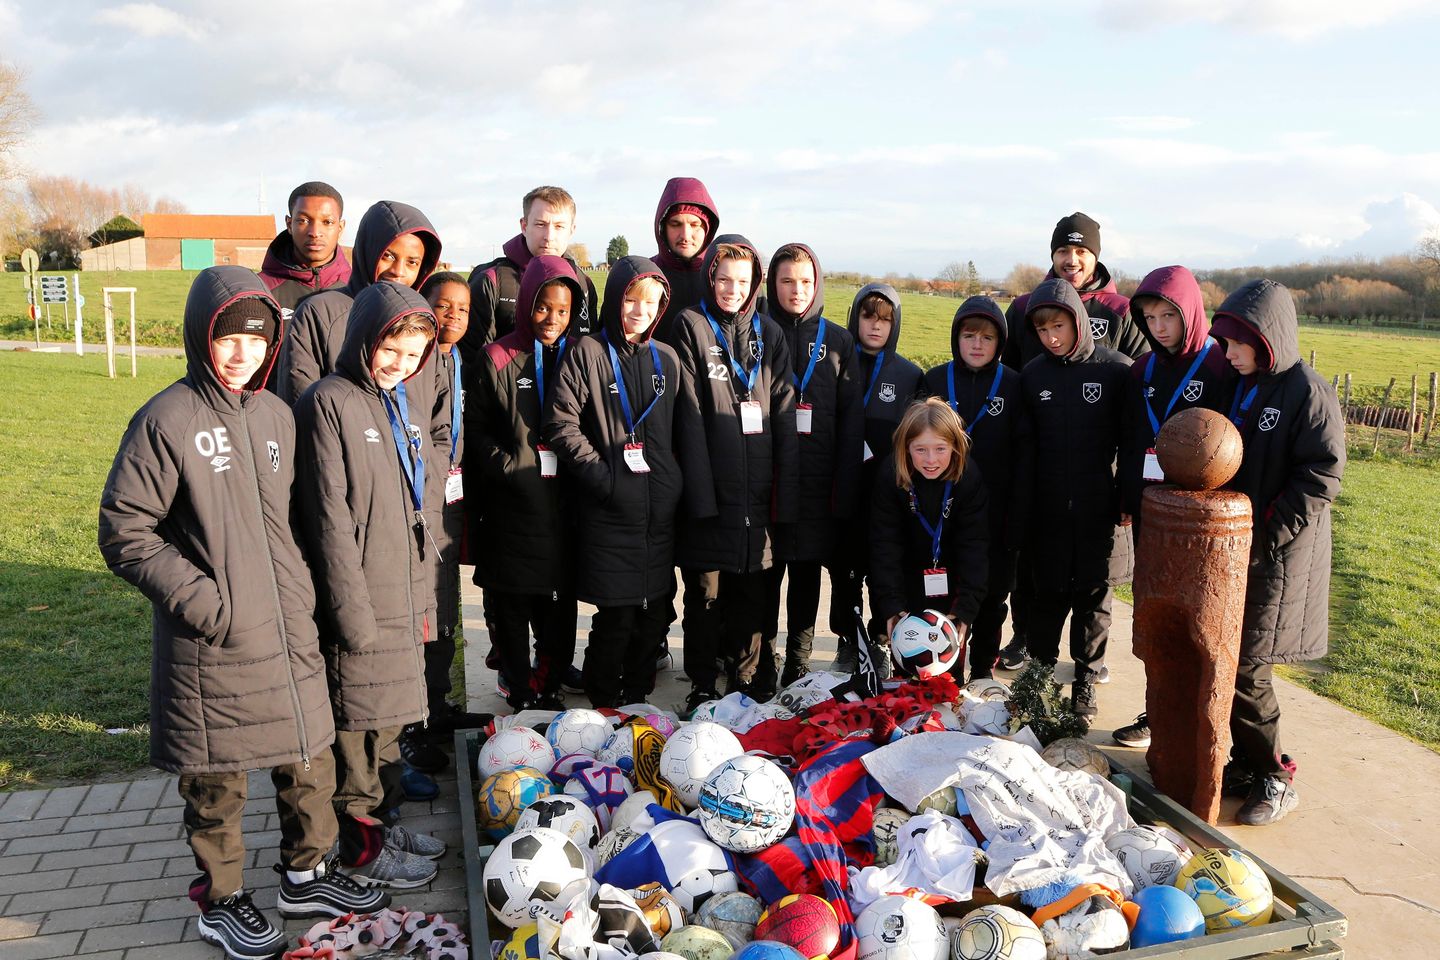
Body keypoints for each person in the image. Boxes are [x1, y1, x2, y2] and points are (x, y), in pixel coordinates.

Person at [99, 267, 388, 960]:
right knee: (217, 782)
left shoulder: (277, 417)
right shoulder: (167, 419)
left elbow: (298, 520)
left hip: (289, 633)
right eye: (229, 338)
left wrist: (309, 599)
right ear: (202, 335)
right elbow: (125, 531)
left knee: (309, 762)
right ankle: (221, 900)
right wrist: (211, 606)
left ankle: (305, 873)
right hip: (215, 644)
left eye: (256, 342)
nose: (242, 354)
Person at [294, 281, 450, 890]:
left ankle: (382, 822)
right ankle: (358, 842)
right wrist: (349, 611)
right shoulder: (328, 402)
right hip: (359, 595)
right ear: (365, 337)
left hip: (402, 585)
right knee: (356, 727)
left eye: (414, 357)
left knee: (390, 721)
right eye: (392, 349)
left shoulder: (399, 402)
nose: (401, 365)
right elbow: (329, 517)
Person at [1210, 279, 1344, 825]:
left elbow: (1321, 475)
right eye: (1225, 344)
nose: (1229, 353)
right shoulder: (1242, 385)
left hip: (1279, 557)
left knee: (1249, 668)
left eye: (1238, 343)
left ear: (1267, 339)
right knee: (1232, 660)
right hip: (1242, 549)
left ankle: (1276, 774)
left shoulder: (1306, 390)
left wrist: (1265, 532)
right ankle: (1245, 763)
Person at [997, 212, 1144, 674]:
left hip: (1093, 473)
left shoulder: (1120, 311)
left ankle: (1088, 664)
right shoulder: (1023, 307)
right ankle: (1025, 638)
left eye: (1081, 251)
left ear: (1095, 256)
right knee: (1035, 570)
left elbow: (1136, 394)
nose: (1071, 259)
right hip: (1041, 456)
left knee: (1093, 581)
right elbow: (1008, 371)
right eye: (1063, 250)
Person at [544, 257, 683, 707]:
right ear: (615, 299)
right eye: (630, 300)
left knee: (653, 615)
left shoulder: (668, 360)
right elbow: (561, 424)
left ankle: (638, 698)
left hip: (657, 513)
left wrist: (672, 486)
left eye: (650, 302)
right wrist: (604, 481)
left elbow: (678, 432)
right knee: (617, 616)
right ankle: (604, 701)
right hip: (610, 511)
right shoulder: (586, 352)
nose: (639, 311)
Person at [669, 236, 798, 714]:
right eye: (724, 278)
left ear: (754, 283)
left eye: (742, 281)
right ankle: (702, 682)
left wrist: (783, 496)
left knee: (752, 597)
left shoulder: (770, 333)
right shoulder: (691, 326)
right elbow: (690, 413)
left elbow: (783, 412)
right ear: (711, 277)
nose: (732, 288)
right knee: (705, 598)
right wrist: (701, 498)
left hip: (758, 496)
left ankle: (742, 685)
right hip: (712, 494)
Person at [1112, 265, 1237, 748]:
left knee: (1200, 619)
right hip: (1151, 510)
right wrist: (1126, 497)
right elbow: (1129, 435)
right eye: (1150, 317)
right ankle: (1156, 711)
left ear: (1190, 312)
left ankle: (1207, 725)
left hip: (1203, 519)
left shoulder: (1219, 365)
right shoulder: (1140, 369)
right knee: (1156, 614)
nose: (1160, 327)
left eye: (1169, 315)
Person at [470, 256, 586, 710]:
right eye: (542, 307)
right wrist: (508, 465)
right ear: (524, 304)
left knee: (557, 610)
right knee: (514, 608)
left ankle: (551, 684)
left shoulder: (581, 353)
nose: (552, 319)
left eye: (562, 310)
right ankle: (519, 691)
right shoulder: (497, 356)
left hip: (563, 507)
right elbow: (477, 430)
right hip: (512, 505)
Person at [1018, 277, 1133, 720]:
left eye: (1059, 327)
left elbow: (1130, 437)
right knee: (1045, 596)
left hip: (1097, 510)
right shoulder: (1033, 376)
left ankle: (1086, 679)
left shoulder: (1116, 370)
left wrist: (1124, 497)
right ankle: (1039, 679)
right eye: (1043, 330)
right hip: (1047, 511)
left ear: (1079, 323)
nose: (1051, 338)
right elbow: (1026, 448)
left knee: (1093, 599)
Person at [396, 272, 489, 774]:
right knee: (420, 613)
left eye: (462, 309)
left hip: (450, 500)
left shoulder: (458, 358)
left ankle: (438, 705)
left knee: (444, 607)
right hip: (420, 500)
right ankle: (412, 726)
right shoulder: (415, 361)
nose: (452, 315)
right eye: (442, 305)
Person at [760, 243, 863, 691]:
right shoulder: (757, 332)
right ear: (772, 284)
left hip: (818, 484)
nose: (796, 290)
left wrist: (843, 490)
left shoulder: (838, 341)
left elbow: (850, 421)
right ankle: (762, 657)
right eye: (786, 281)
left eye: (805, 281)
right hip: (768, 479)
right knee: (764, 577)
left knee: (804, 576)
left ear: (817, 283)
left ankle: (797, 662)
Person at [920, 296, 1031, 679]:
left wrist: (1016, 520)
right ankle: (943, 674)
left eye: (987, 337)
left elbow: (1023, 456)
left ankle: (983, 670)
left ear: (1000, 342)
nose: (977, 344)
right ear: (957, 338)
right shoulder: (935, 380)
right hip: (944, 514)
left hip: (996, 516)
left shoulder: (1014, 385)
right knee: (947, 595)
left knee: (991, 598)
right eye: (969, 335)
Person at [827, 283, 923, 667]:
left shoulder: (909, 374)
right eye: (868, 317)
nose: (876, 327)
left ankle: (881, 640)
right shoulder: (833, 364)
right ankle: (847, 640)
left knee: (884, 570)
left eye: (886, 320)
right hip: (843, 490)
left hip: (886, 495)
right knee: (843, 573)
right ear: (855, 317)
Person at [279, 200, 442, 405]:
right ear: (368, 251)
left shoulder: (423, 324)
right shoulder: (320, 312)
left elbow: (437, 423)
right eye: (388, 256)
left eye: (412, 262)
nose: (398, 271)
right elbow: (300, 403)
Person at [869, 398, 989, 657]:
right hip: (907, 577)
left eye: (940, 449)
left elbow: (974, 548)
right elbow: (884, 545)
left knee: (946, 674)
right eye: (920, 449)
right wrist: (892, 607)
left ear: (956, 447)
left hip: (951, 578)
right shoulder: (891, 476)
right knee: (909, 668)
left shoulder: (968, 477)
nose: (931, 459)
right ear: (906, 447)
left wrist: (964, 611)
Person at [462, 185, 598, 354]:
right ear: (524, 226)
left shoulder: (583, 283)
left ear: (571, 230)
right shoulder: (491, 280)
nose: (549, 236)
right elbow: (475, 360)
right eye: (541, 224)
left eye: (559, 226)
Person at [259, 180, 351, 318]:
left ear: (340, 227)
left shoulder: (361, 290)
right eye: (304, 221)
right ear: (289, 224)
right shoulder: (260, 291)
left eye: (327, 222)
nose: (315, 232)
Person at [650, 176, 720, 344]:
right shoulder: (646, 275)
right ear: (662, 227)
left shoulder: (726, 277)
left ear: (707, 228)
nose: (686, 235)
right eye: (675, 224)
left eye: (695, 224)